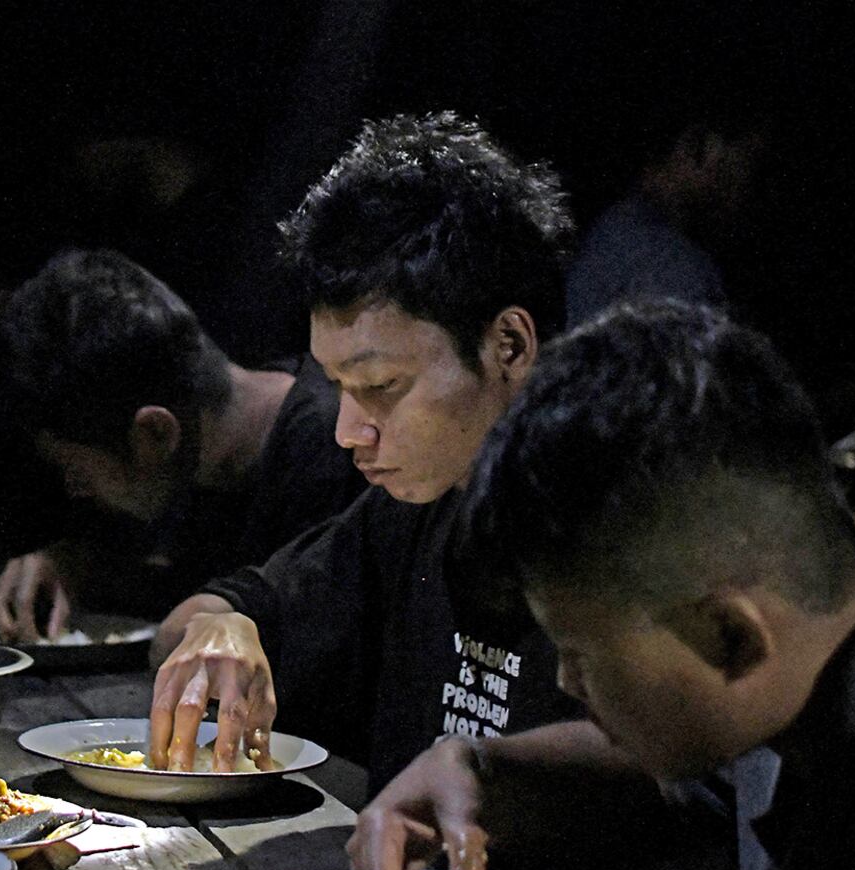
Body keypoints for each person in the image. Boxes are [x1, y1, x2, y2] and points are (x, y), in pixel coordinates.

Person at [349, 300, 855, 870]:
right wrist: (481, 769)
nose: (565, 680)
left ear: (733, 635)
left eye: (582, 653)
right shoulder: (845, 629)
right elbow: (694, 778)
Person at [147, 112, 587, 779]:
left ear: (510, 346)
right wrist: (221, 630)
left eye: (382, 385)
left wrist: (472, 778)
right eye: (339, 387)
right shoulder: (412, 509)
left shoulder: (615, 522)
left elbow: (675, 772)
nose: (349, 430)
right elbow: (194, 619)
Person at [0, 249, 364, 641]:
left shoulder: (335, 452)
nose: (75, 490)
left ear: (157, 433)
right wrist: (71, 561)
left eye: (76, 471)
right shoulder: (194, 468)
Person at [564, 94, 767, 328]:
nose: (748, 186)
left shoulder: (609, 233)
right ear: (698, 147)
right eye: (749, 161)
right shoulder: (673, 267)